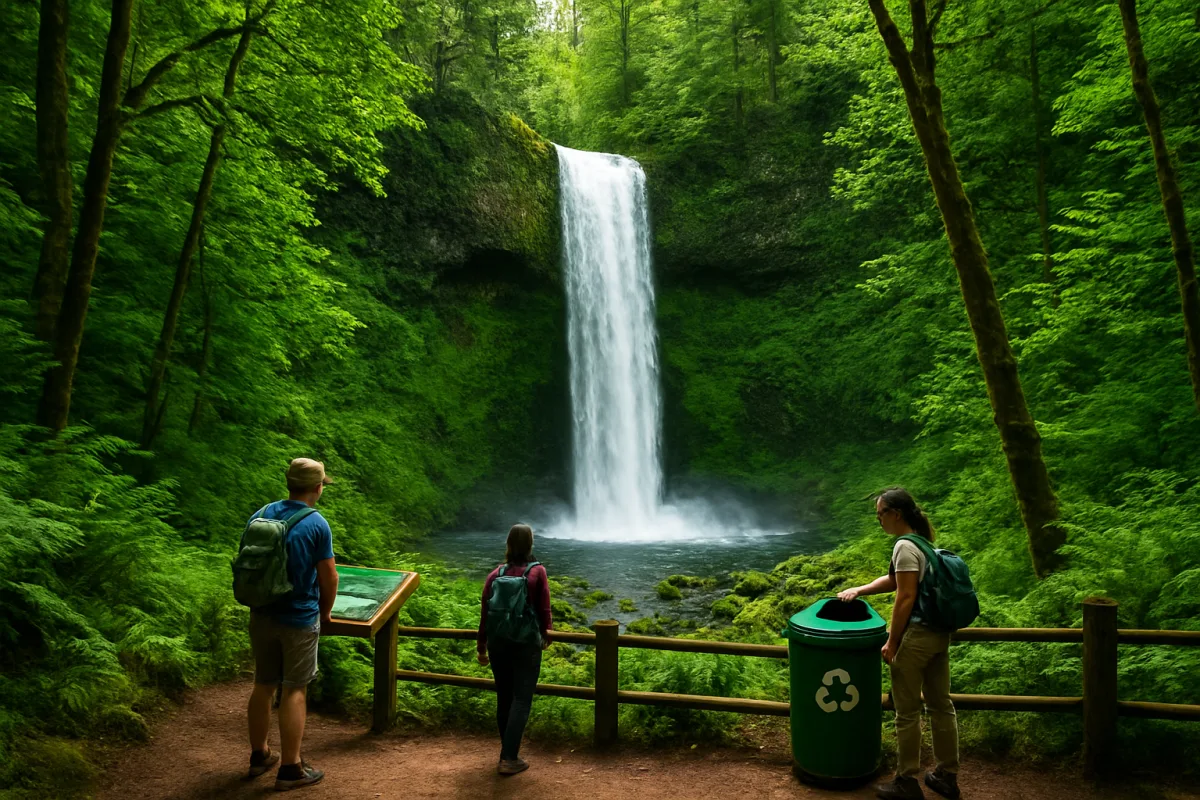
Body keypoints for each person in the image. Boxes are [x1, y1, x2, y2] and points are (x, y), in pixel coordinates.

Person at [838, 488, 960, 800]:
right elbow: (895, 581)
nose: (878, 519)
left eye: (881, 513)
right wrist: (860, 589)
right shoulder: (922, 543)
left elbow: (905, 596)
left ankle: (907, 781)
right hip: (938, 634)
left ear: (896, 514)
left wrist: (892, 642)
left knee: (906, 711)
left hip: (916, 637)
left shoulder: (904, 546)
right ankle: (946, 775)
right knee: (941, 705)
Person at [245, 458, 339, 791]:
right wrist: (325, 613)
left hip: (261, 613)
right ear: (318, 487)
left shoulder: (261, 514)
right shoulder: (316, 524)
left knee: (263, 683)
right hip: (298, 618)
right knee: (295, 688)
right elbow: (329, 577)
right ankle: (291, 768)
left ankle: (259, 756)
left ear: (289, 482)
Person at [476, 523, 553, 776]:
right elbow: (544, 609)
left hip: (499, 644)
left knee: (504, 698)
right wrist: (547, 633)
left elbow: (485, 614)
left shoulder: (495, 575)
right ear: (530, 544)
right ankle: (509, 758)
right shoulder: (537, 572)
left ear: (508, 544)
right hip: (526, 644)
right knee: (522, 699)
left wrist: (481, 647)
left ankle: (507, 753)